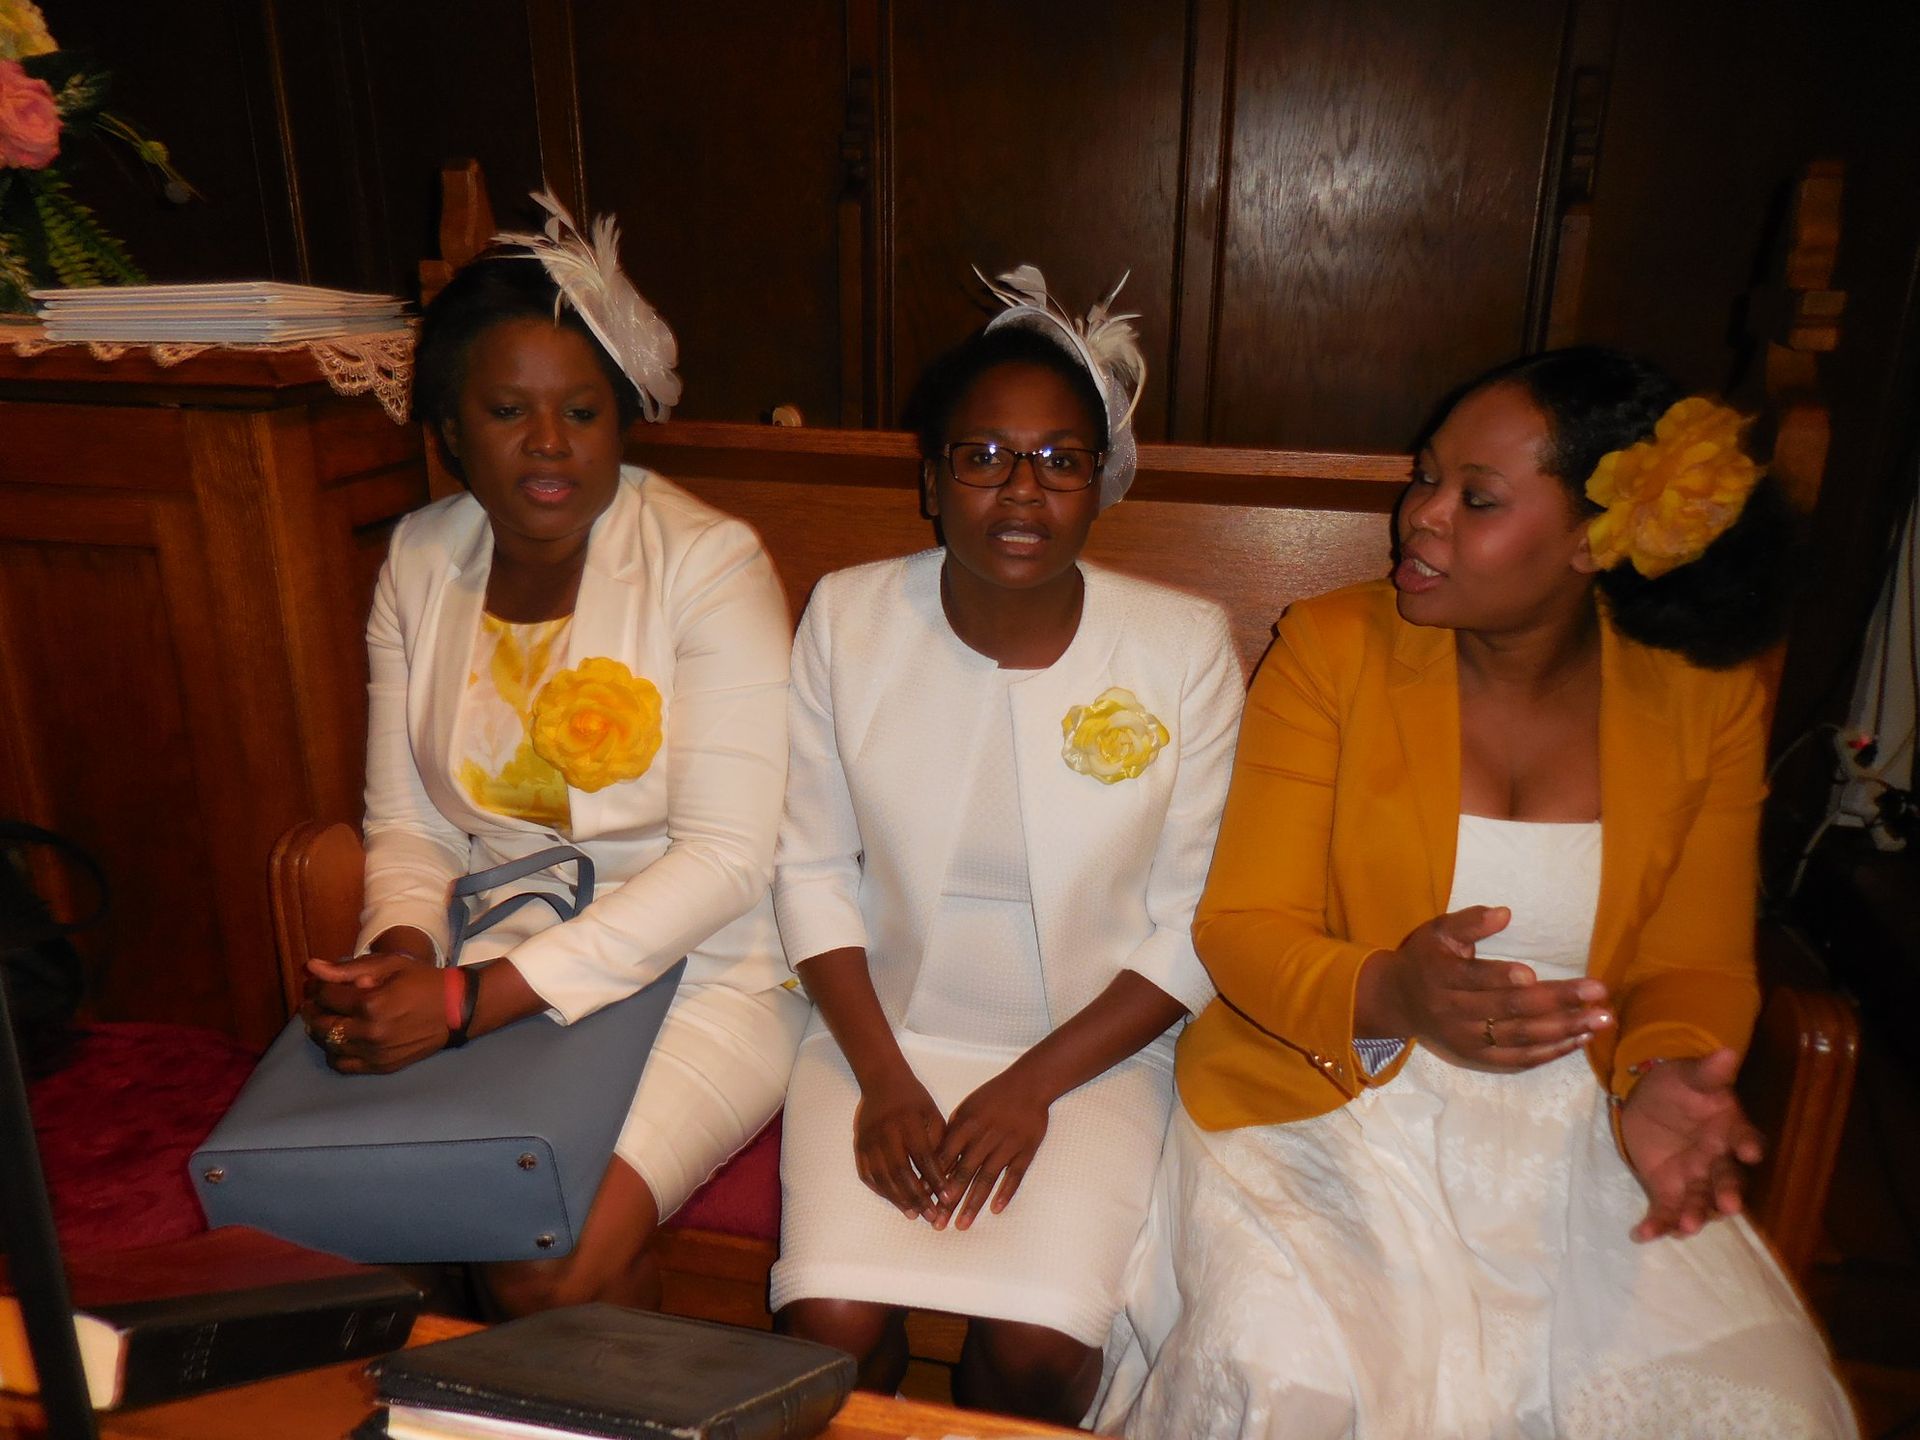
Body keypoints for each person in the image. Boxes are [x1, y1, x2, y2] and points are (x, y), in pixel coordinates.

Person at [1100, 347, 1857, 1438]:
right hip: (1329, 1100)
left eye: (1478, 498)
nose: (1421, 518)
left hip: (1577, 1120)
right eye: (1425, 477)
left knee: (1755, 1411)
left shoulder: (1705, 705)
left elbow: (1695, 962)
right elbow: (1242, 927)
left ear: (1598, 541)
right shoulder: (1333, 651)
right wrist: (1395, 996)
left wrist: (1666, 1070)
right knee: (1293, 1388)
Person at [299, 194, 806, 1317]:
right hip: (494, 945)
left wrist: (471, 1001)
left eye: (581, 410)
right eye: (506, 409)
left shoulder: (709, 565)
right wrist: (397, 953)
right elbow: (412, 826)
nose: (548, 444)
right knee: (350, 1232)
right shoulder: (421, 563)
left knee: (549, 1254)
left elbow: (728, 860)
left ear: (621, 420)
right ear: (448, 423)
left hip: (707, 968)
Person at [770, 268, 1244, 1425]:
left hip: (1091, 1056)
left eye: (1058, 459)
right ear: (931, 481)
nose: (1020, 492)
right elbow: (811, 870)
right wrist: (884, 1083)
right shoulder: (849, 614)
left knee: (1037, 1350)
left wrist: (1031, 1089)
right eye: (983, 458)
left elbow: (1196, 919)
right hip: (877, 1035)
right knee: (826, 1332)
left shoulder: (1180, 646)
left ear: (1101, 483)